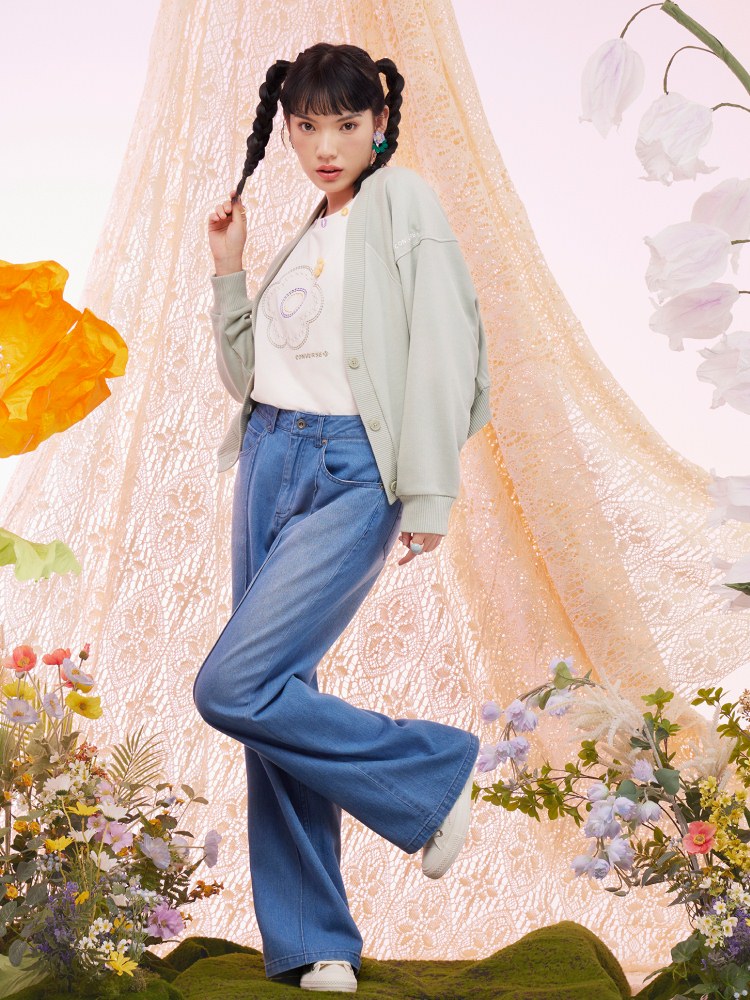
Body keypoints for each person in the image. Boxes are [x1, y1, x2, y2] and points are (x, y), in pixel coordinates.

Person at [192, 42, 492, 994]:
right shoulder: (312, 226)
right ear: (286, 129)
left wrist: (429, 491)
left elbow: (445, 347)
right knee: (274, 693)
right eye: (307, 126)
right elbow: (250, 376)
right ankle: (314, 942)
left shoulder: (403, 206)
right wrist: (230, 272)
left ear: (380, 125)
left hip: (354, 468)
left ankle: (431, 771)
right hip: (268, 457)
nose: (326, 146)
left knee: (233, 685)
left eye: (347, 125)